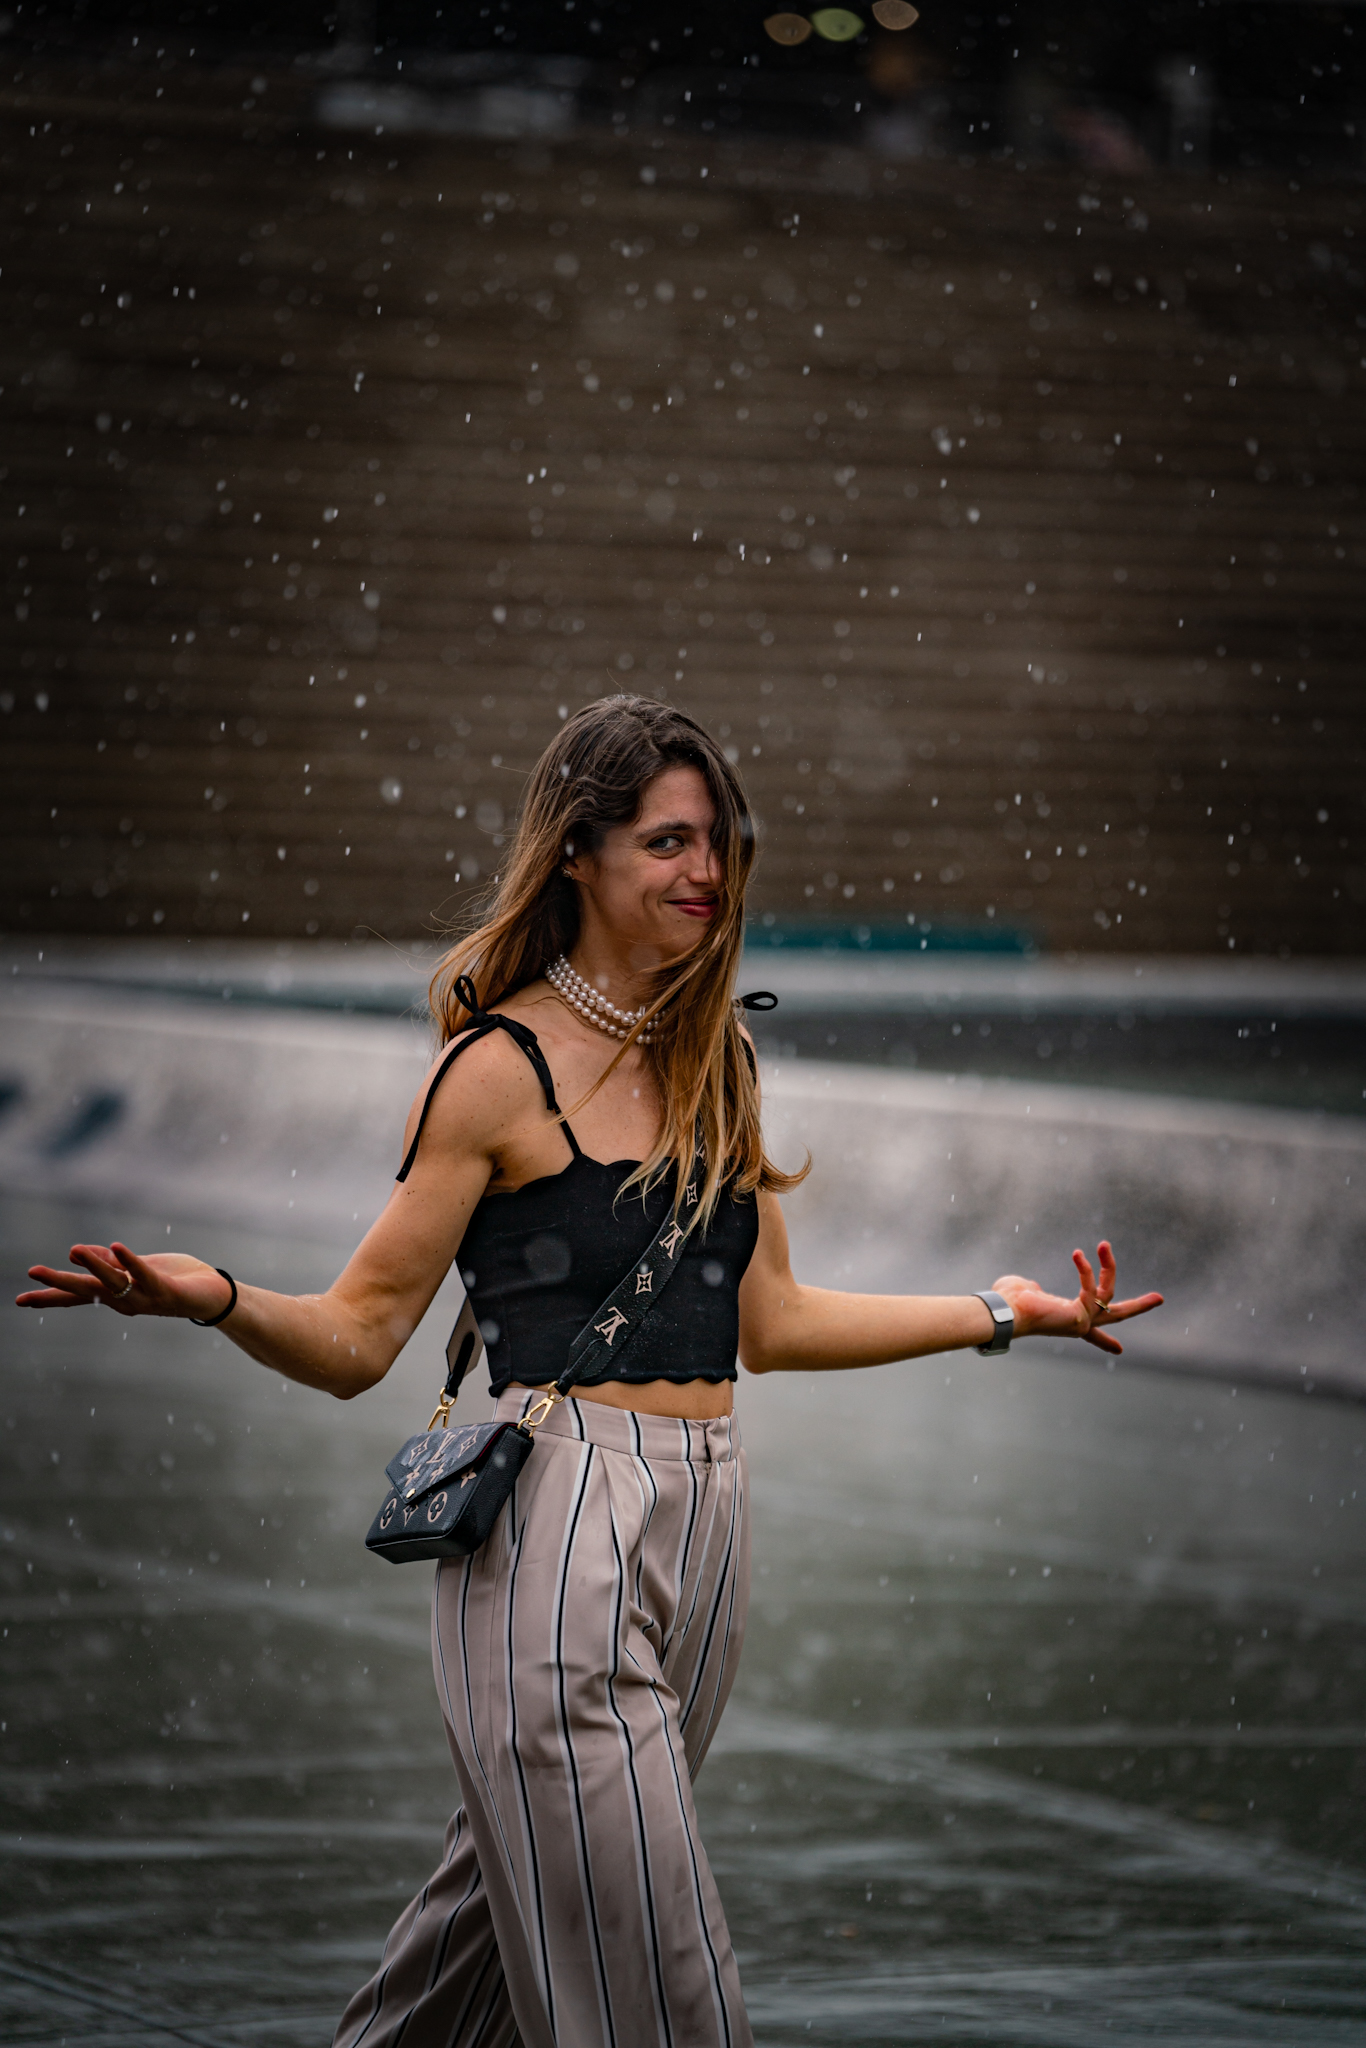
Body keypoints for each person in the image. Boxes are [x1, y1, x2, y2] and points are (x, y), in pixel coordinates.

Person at [19, 695, 1162, 2048]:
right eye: (668, 842)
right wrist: (212, 1295)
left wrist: (996, 1311)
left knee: (470, 1975)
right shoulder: (492, 1071)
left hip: (705, 1526)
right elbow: (357, 1340)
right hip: (552, 1526)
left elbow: (773, 1321)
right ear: (579, 851)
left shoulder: (715, 1057)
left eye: (715, 842)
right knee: (656, 1986)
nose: (704, 873)